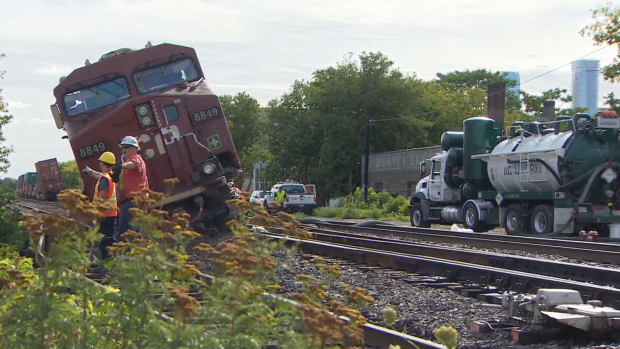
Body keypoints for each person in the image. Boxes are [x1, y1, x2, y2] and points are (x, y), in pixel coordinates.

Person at [81, 151, 118, 260]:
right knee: (109, 238)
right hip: (111, 213)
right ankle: (110, 262)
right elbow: (99, 175)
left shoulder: (105, 179)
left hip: (104, 214)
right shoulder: (110, 176)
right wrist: (91, 172)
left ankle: (107, 263)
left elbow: (102, 197)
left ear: (102, 163)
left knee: (104, 240)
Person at [114, 136, 149, 239]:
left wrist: (122, 166)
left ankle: (127, 254)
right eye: (122, 147)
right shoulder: (128, 161)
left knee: (125, 233)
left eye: (127, 147)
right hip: (132, 202)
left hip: (132, 202)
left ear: (135, 148)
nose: (124, 149)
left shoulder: (135, 158)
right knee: (134, 233)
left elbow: (133, 165)